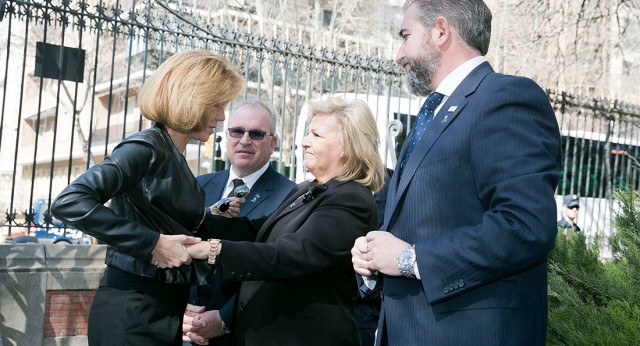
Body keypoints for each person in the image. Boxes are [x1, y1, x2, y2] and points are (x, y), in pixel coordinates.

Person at [351, 1, 561, 345]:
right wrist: (372, 254)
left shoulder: (504, 97)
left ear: (441, 31)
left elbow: (525, 225)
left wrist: (408, 259)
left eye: (405, 36)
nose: (398, 55)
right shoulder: (432, 113)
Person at [50, 50, 244, 346]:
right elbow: (70, 201)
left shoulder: (171, 152)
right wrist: (153, 243)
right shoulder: (145, 147)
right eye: (216, 105)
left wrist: (208, 216)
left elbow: (154, 212)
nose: (221, 116)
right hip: (132, 310)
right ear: (191, 100)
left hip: (159, 309)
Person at [185, 96, 385, 346]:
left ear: (347, 146)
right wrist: (201, 221)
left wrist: (213, 250)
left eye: (315, 135)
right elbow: (257, 229)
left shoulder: (352, 199)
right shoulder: (310, 189)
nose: (304, 142)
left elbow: (292, 254)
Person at [183, 99, 296, 345]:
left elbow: (277, 271)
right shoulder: (199, 185)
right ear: (227, 135)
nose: (245, 140)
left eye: (256, 134)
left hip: (246, 332)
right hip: (186, 328)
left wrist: (224, 319)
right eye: (237, 131)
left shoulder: (290, 197)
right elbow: (177, 245)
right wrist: (181, 310)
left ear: (272, 143)